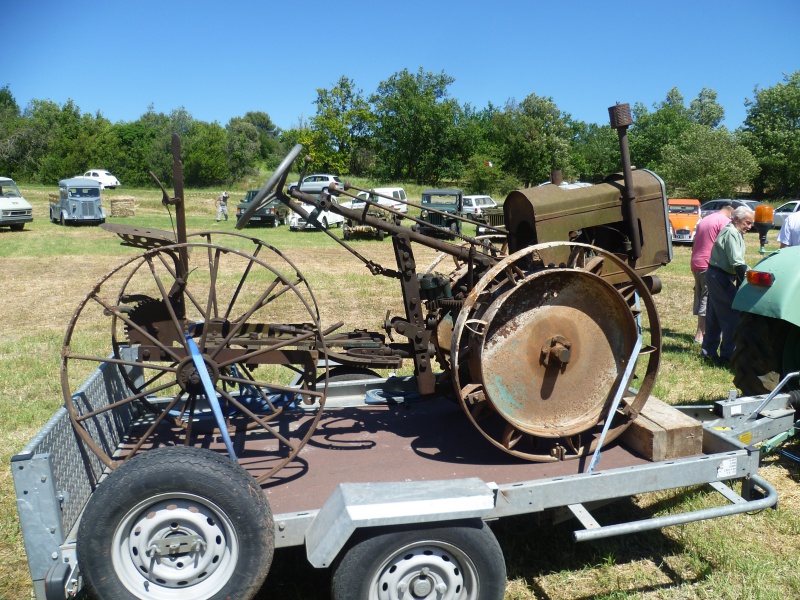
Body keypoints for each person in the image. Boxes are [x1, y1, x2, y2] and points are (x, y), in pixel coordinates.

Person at [701, 206, 754, 364]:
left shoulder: (735, 232)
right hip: (720, 276)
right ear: (736, 219)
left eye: (751, 224)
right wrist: (745, 281)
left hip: (717, 275)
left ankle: (709, 352)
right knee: (732, 317)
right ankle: (727, 355)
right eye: (747, 223)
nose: (749, 227)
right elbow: (737, 263)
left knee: (715, 317)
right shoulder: (731, 232)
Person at [690, 204, 733, 343]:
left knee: (701, 295)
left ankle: (704, 332)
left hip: (696, 262)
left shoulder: (705, 219)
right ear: (732, 212)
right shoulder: (725, 222)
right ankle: (700, 334)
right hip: (709, 264)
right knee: (707, 299)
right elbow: (725, 245)